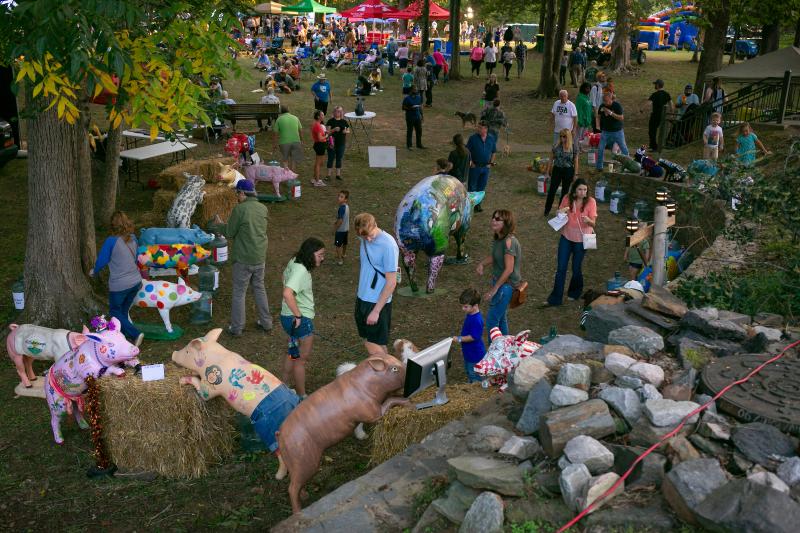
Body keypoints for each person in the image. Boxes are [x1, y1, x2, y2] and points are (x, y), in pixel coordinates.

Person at [215, 180, 272, 336]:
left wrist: (219, 225)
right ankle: (266, 322)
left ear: (242, 193)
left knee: (239, 292)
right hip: (260, 256)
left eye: (237, 194)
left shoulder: (240, 210)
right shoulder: (263, 208)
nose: (236, 197)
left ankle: (237, 328)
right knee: (259, 288)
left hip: (243, 258)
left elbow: (230, 232)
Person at [90, 211, 144, 346]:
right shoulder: (133, 238)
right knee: (123, 311)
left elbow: (102, 261)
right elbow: (137, 256)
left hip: (120, 285)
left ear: (112, 225)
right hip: (136, 282)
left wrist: (94, 271)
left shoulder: (111, 241)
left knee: (114, 311)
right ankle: (124, 336)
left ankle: (135, 334)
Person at [280, 238, 325, 399]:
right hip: (300, 321)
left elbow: (283, 278)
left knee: (292, 353)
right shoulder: (300, 271)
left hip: (287, 317)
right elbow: (287, 292)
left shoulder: (294, 261)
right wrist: (298, 315)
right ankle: (302, 396)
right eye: (320, 255)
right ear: (310, 254)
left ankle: (282, 389)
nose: (322, 258)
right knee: (300, 360)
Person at [545, 179, 597, 306]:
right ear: (574, 190)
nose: (582, 192)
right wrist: (560, 212)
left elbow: (593, 223)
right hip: (566, 237)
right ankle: (555, 298)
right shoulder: (567, 198)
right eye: (580, 189)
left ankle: (575, 292)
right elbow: (559, 214)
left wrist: (588, 220)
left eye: (585, 190)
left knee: (576, 268)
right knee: (561, 268)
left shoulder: (591, 202)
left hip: (581, 239)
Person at [353, 213, 399, 356]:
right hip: (363, 298)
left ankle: (389, 375)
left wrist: (376, 311)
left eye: (370, 235)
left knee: (377, 345)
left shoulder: (388, 245)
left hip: (376, 302)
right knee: (369, 342)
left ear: (375, 224)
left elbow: (391, 282)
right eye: (364, 237)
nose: (368, 239)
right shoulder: (365, 238)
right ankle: (380, 372)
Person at [475, 209, 522, 336]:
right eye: (493, 217)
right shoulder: (499, 238)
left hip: (506, 286)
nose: (493, 220)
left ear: (506, 223)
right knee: (501, 319)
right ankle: (505, 347)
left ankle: (495, 351)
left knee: (492, 322)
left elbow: (509, 269)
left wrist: (494, 289)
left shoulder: (509, 242)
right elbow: (495, 256)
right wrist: (481, 264)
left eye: (498, 219)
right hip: (500, 282)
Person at [544, 129, 579, 217]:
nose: (562, 138)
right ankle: (547, 210)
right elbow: (551, 159)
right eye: (561, 136)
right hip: (557, 169)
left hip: (568, 171)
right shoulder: (556, 146)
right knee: (552, 190)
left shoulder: (573, 147)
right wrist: (547, 172)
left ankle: (560, 211)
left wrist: (576, 174)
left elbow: (576, 161)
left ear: (569, 137)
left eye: (564, 136)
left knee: (565, 192)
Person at [466, 121, 497, 211]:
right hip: (475, 167)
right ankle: (470, 205)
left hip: (485, 168)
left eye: (480, 128)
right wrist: (470, 162)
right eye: (478, 127)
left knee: (481, 187)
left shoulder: (491, 139)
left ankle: (478, 205)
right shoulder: (473, 138)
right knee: (472, 187)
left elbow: (494, 151)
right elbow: (467, 151)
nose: (478, 129)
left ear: (486, 129)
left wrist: (491, 163)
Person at [595, 92, 629, 171]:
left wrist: (610, 113)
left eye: (606, 101)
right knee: (600, 148)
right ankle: (599, 167)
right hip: (605, 132)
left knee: (624, 148)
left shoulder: (617, 106)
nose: (605, 103)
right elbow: (598, 116)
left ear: (611, 99)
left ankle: (627, 165)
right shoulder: (602, 106)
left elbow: (621, 118)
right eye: (604, 101)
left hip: (617, 131)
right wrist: (597, 125)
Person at [273, 104, 304, 176]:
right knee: (293, 160)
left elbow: (275, 133)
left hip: (284, 143)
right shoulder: (296, 118)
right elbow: (300, 130)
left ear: (280, 111)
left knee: (285, 159)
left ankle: (286, 176)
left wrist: (274, 144)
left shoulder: (279, 119)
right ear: (289, 110)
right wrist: (301, 140)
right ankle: (292, 175)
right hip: (296, 141)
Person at [645, 79, 673, 152]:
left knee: (652, 131)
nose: (654, 86)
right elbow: (671, 104)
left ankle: (654, 147)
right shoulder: (667, 94)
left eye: (655, 84)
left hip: (655, 115)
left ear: (657, 85)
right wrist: (672, 113)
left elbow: (649, 103)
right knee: (661, 131)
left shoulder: (655, 94)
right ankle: (655, 146)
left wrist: (642, 109)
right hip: (663, 116)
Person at [325, 105, 350, 181]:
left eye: (339, 111)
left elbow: (348, 130)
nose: (338, 112)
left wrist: (345, 131)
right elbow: (327, 133)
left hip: (341, 143)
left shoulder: (344, 121)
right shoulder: (330, 121)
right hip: (331, 143)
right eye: (336, 111)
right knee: (330, 158)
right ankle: (328, 175)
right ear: (334, 112)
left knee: (339, 158)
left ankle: (338, 175)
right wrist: (334, 130)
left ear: (342, 112)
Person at [402, 85, 425, 150]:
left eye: (416, 89)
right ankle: (409, 145)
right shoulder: (407, 98)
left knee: (419, 131)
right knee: (410, 131)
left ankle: (419, 144)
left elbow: (420, 107)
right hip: (410, 117)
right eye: (415, 89)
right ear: (411, 90)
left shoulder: (419, 97)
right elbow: (403, 107)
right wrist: (410, 108)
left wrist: (422, 116)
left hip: (417, 117)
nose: (416, 91)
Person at [310, 110, 328, 187]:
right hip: (320, 144)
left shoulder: (318, 124)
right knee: (318, 163)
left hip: (320, 145)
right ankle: (317, 181)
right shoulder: (317, 125)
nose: (323, 116)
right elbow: (320, 138)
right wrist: (327, 136)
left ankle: (315, 178)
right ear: (318, 116)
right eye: (322, 115)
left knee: (320, 163)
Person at [333, 189, 350, 264]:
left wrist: (335, 229)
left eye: (341, 197)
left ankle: (340, 260)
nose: (339, 198)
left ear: (345, 199)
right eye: (339, 196)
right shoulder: (347, 207)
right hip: (346, 229)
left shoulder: (341, 208)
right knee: (345, 243)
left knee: (337, 245)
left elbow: (340, 220)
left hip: (340, 231)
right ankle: (344, 254)